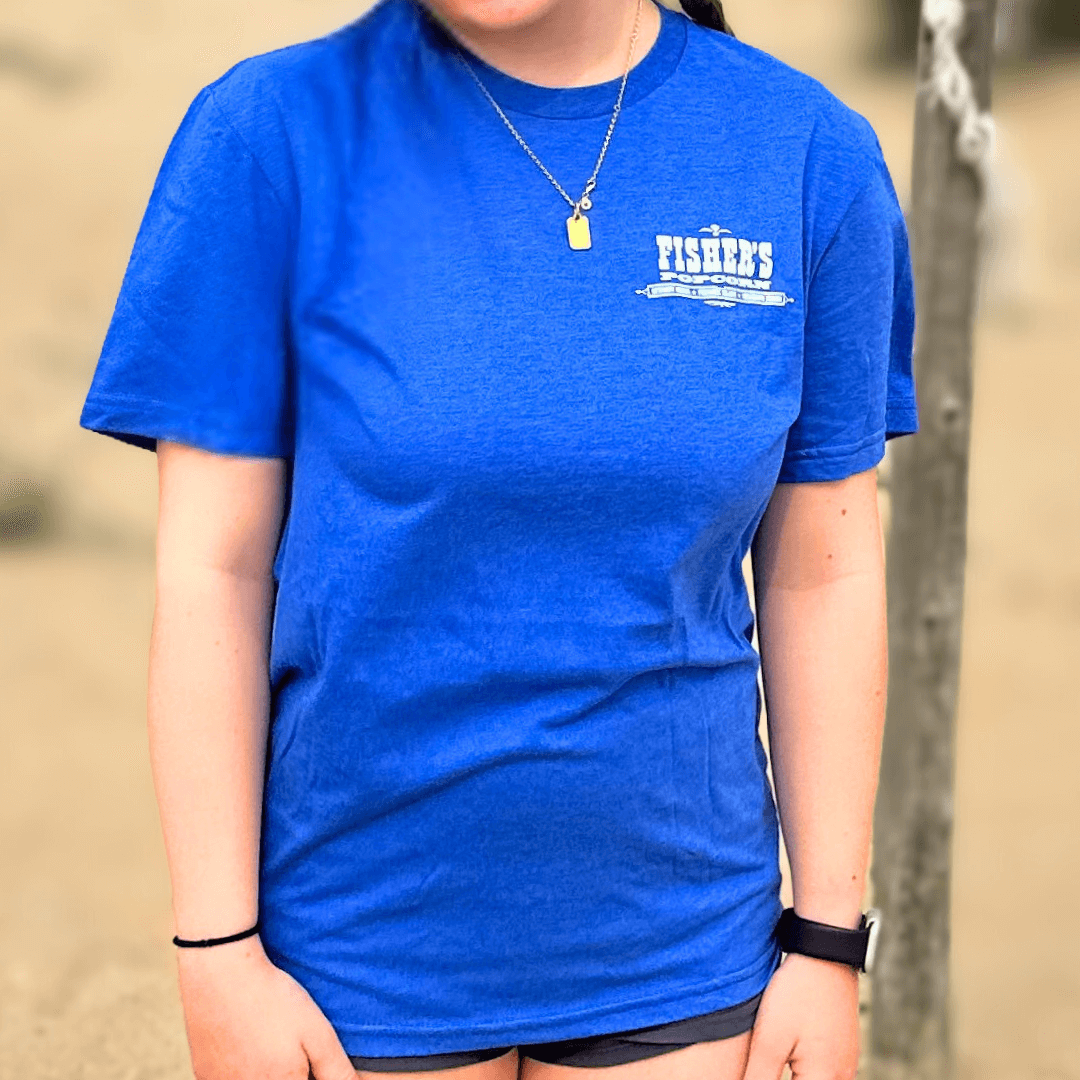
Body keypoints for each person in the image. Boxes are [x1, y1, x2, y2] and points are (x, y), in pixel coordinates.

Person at [78, 0, 920, 1077]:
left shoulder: (805, 152)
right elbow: (211, 572)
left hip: (694, 957)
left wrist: (826, 943)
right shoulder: (265, 136)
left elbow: (824, 574)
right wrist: (216, 952)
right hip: (350, 963)